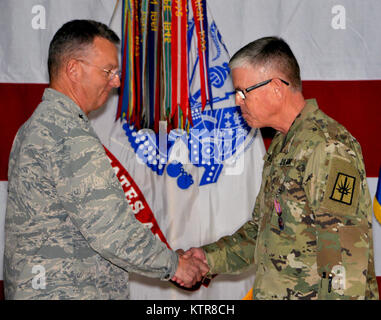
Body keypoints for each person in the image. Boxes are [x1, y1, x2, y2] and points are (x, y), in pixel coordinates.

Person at [4, 19, 208, 300]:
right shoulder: (68, 134)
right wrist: (175, 266)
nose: (116, 82)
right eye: (108, 71)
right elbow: (111, 231)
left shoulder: (36, 125)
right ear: (73, 69)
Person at [185, 36, 379, 300]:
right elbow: (264, 231)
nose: (238, 101)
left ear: (276, 87)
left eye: (243, 91)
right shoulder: (283, 144)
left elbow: (342, 259)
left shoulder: (327, 147)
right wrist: (209, 258)